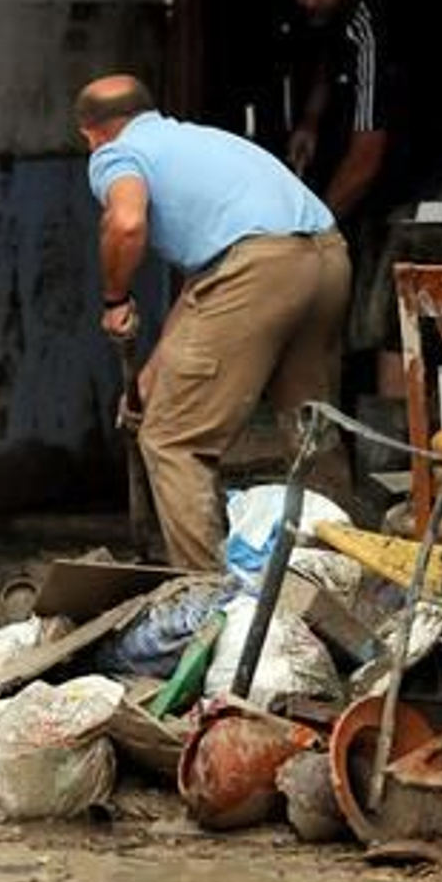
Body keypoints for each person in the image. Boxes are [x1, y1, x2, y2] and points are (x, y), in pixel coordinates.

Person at [77, 74, 351, 571]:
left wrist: (115, 298)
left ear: (90, 133)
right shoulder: (201, 141)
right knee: (309, 429)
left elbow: (126, 222)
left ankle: (205, 602)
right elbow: (205, 286)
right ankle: (338, 576)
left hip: (259, 269)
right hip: (325, 256)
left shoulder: (116, 153)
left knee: (172, 440)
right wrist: (151, 377)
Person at [281, 0, 408, 356]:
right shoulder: (331, 27)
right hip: (376, 194)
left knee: (387, 321)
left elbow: (366, 157)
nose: (310, 1)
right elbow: (328, 67)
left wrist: (309, 229)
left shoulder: (370, 30)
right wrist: (310, 123)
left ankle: (395, 419)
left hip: (430, 186)